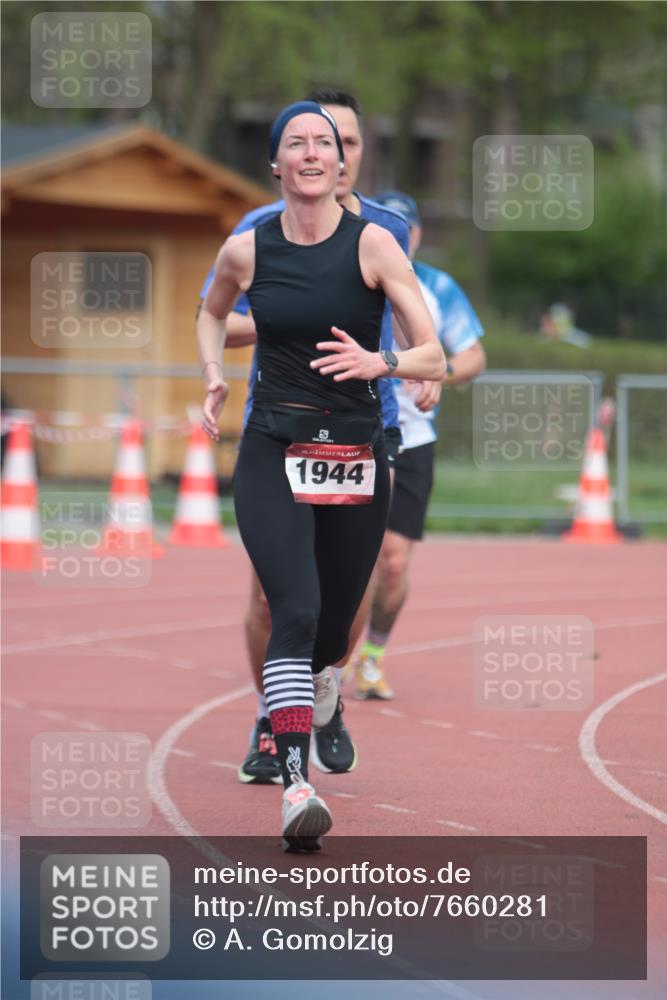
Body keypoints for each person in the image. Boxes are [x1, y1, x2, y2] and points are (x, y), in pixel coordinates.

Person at [197, 102, 444, 849]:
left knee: (333, 628)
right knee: (292, 609)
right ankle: (294, 779)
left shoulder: (375, 244)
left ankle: (324, 688)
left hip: (357, 447)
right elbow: (211, 313)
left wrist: (387, 363)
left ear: (344, 166)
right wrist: (213, 375)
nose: (312, 153)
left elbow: (430, 351)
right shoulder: (247, 248)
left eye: (326, 144)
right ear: (275, 166)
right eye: (295, 144)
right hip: (273, 443)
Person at [351, 191, 486, 699]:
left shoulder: (437, 287)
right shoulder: (352, 271)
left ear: (419, 234)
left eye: (406, 227)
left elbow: (473, 354)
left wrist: (440, 373)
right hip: (356, 434)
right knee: (348, 555)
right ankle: (333, 651)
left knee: (393, 561)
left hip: (413, 440)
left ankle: (373, 656)